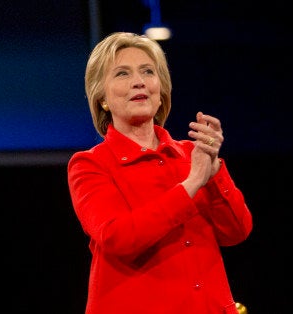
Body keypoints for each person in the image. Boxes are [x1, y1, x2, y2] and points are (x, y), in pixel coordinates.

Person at [67, 32, 253, 314]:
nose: (138, 81)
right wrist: (192, 184)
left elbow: (237, 232)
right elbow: (119, 238)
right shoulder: (90, 164)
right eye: (121, 73)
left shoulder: (194, 155)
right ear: (102, 97)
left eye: (147, 71)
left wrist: (215, 173)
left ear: (161, 89)